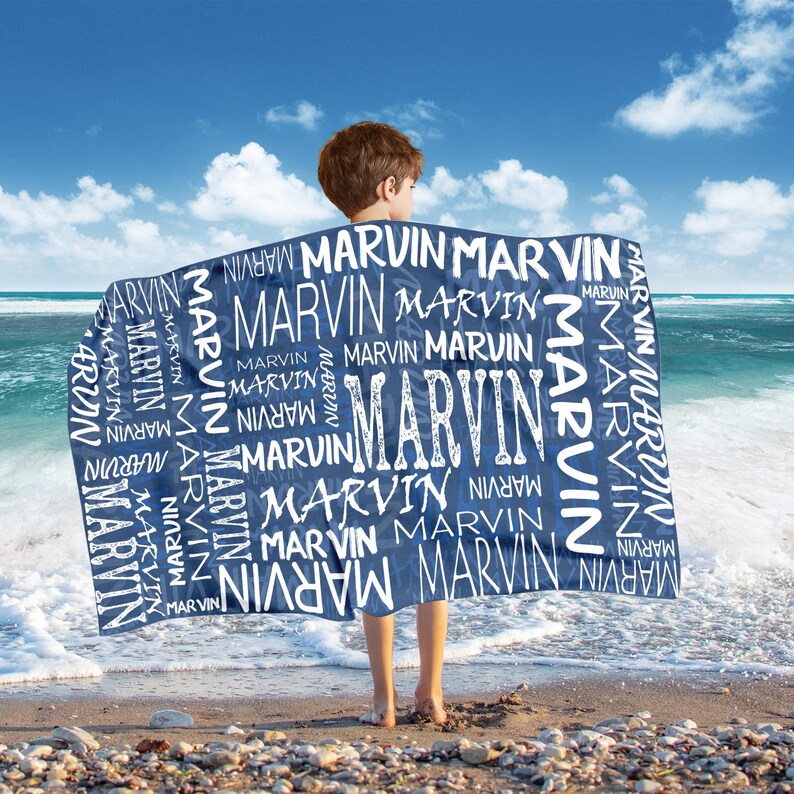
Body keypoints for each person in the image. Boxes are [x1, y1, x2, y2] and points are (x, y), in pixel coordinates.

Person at [317, 121, 448, 728]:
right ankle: (432, 691)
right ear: (391, 186)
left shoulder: (316, 269)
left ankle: (382, 700)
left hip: (356, 427)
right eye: (413, 187)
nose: (414, 201)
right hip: (429, 420)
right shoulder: (430, 262)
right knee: (434, 555)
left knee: (376, 554)